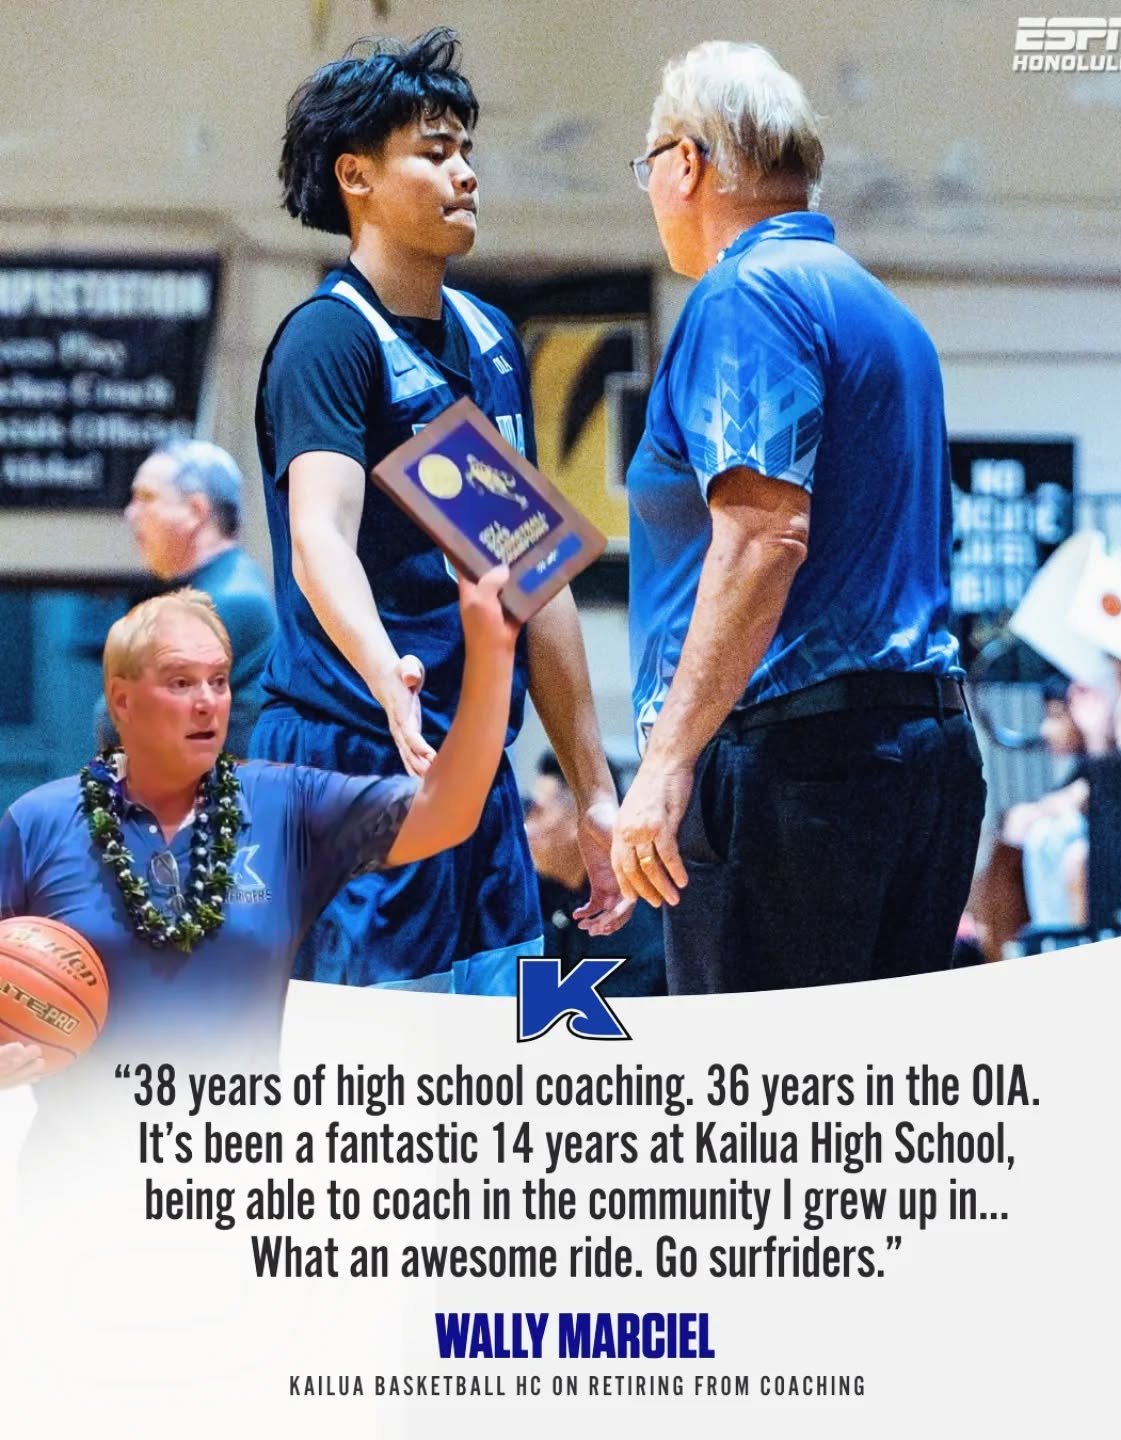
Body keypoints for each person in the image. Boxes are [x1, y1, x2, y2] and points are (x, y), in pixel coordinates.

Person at [248, 27, 626, 995]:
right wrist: (389, 676)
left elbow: (536, 578)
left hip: (474, 773)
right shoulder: (329, 341)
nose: (465, 173)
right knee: (370, 1075)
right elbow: (317, 537)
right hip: (355, 761)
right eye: (434, 150)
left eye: (467, 150)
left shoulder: (492, 340)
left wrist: (594, 792)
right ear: (356, 178)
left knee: (495, 1055)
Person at [610, 41, 986, 993]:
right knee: (862, 1100)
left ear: (686, 163)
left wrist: (661, 764)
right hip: (922, 760)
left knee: (761, 1115)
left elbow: (764, 535)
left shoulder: (748, 294)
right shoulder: (890, 319)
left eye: (649, 164)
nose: (650, 188)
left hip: (796, 773)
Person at [0, 569, 521, 1099]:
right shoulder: (37, 822)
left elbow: (450, 812)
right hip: (78, 1173)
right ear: (122, 701)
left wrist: (492, 657)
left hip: (237, 1169)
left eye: (219, 680)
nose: (207, 701)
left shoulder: (284, 804)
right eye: (181, 681)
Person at [101, 440, 276, 755]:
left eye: (146, 498)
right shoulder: (227, 587)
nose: (131, 513)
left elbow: (115, 719)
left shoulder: (230, 600)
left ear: (196, 511)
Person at [526, 752, 666, 997]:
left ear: (583, 823)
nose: (525, 827)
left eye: (537, 811)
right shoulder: (531, 899)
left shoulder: (634, 929)